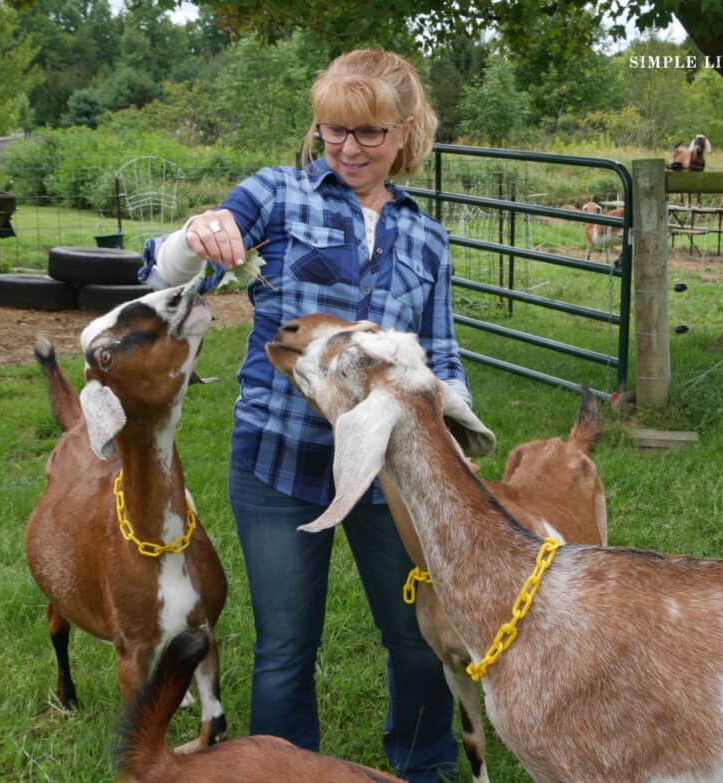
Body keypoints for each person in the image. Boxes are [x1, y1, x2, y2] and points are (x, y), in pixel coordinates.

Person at [139, 49, 467, 783]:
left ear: (404, 131)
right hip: (279, 461)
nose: (347, 148)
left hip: (391, 471)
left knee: (415, 635)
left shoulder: (427, 239)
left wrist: (458, 443)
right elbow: (160, 277)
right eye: (332, 130)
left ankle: (425, 769)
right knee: (286, 641)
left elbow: (442, 358)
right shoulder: (278, 196)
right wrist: (197, 236)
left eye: (368, 132)